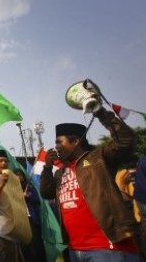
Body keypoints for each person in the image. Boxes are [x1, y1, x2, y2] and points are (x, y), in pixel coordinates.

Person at [40, 107, 140, 261]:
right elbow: (46, 193)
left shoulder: (97, 158)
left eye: (60, 142)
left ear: (75, 141)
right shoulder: (60, 172)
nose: (56, 147)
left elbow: (126, 141)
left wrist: (101, 113)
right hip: (75, 250)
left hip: (107, 247)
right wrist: (47, 167)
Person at [0, 150, 28, 262]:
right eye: (1, 161)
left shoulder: (11, 181)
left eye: (6, 161)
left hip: (14, 232)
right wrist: (1, 185)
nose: (4, 163)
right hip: (1, 232)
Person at [14, 169, 47, 262]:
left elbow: (38, 200)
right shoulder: (11, 190)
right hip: (20, 221)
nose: (18, 177)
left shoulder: (29, 188)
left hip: (31, 219)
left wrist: (28, 196)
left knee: (36, 243)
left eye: (20, 175)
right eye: (16, 175)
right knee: (25, 246)